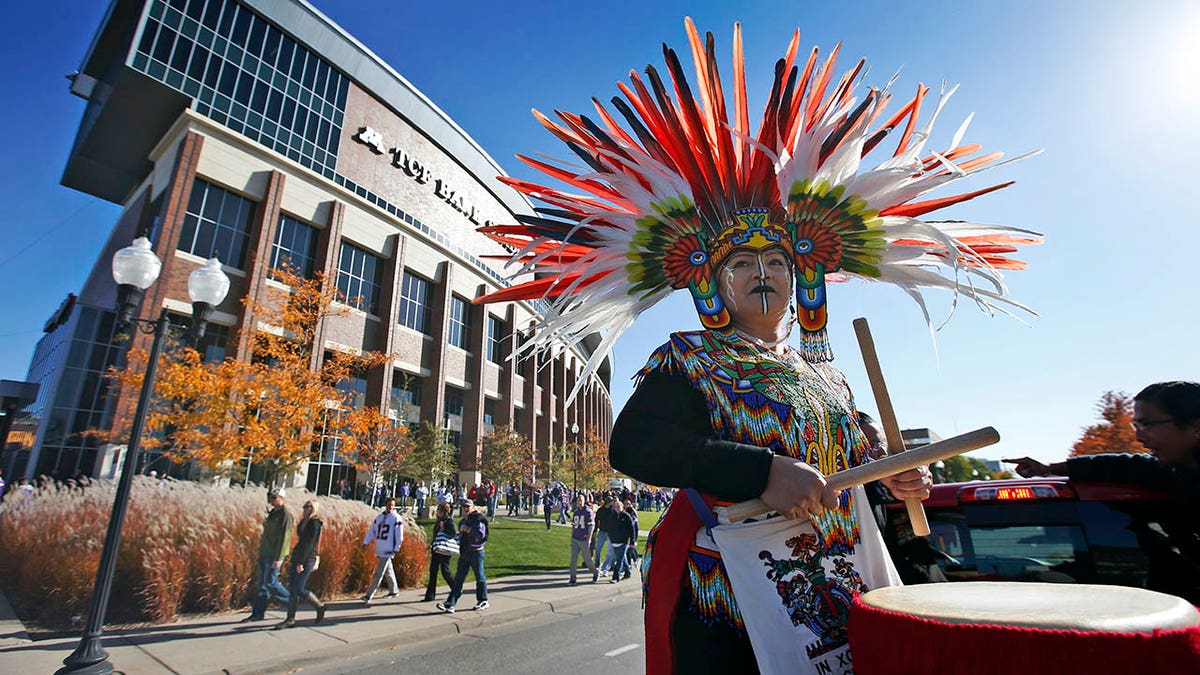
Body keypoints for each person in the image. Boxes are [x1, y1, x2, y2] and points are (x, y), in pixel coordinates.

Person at [1005, 380, 1200, 603]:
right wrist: (1049, 469)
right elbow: (1123, 465)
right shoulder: (1172, 471)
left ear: (1196, 427)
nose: (1139, 437)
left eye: (1147, 425)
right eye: (1136, 426)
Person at [241, 488, 294, 623]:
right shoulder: (272, 513)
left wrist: (280, 557)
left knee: (271, 582)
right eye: (271, 497)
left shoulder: (285, 515)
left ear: (282, 498)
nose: (272, 500)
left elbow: (285, 538)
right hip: (265, 552)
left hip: (274, 554)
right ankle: (258, 613)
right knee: (263, 585)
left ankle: (292, 600)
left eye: (274, 497)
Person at [275, 500, 326, 629]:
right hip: (298, 556)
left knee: (299, 588)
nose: (306, 509)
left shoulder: (315, 524)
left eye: (309, 507)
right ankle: (290, 619)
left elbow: (309, 545)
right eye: (304, 506)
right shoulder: (304, 522)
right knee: (292, 588)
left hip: (307, 559)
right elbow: (301, 541)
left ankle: (319, 606)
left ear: (314, 508)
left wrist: (301, 562)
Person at [437, 500, 489, 613]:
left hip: (476, 552)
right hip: (465, 552)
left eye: (467, 506)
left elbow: (481, 535)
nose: (465, 508)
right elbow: (460, 536)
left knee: (479, 577)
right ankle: (450, 603)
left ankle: (483, 600)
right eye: (463, 506)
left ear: (473, 507)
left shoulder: (478, 519)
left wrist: (469, 530)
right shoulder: (462, 521)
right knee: (458, 579)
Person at [361, 497, 403, 604]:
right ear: (385, 505)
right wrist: (366, 542)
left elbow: (399, 534)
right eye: (389, 504)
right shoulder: (379, 517)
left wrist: (397, 547)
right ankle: (394, 590)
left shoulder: (396, 518)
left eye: (393, 505)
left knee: (379, 573)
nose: (391, 507)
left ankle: (369, 595)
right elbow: (372, 531)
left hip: (388, 548)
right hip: (380, 547)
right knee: (388, 570)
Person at [424, 501, 458, 601]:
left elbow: (453, 533)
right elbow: (436, 535)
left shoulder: (448, 521)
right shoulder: (438, 521)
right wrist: (432, 544)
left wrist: (444, 529)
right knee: (433, 571)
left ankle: (456, 588)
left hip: (445, 549)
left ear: (443, 511)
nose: (437, 512)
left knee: (445, 570)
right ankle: (430, 595)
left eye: (438, 510)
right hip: (436, 548)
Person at [568, 495, 600, 585]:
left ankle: (595, 573)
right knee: (573, 560)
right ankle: (573, 578)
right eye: (578, 500)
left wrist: (589, 538)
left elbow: (591, 526)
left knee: (587, 560)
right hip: (575, 538)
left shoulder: (588, 512)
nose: (579, 502)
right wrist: (572, 536)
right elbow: (574, 525)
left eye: (581, 500)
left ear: (584, 501)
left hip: (584, 539)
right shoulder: (576, 512)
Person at [607, 499, 637, 583]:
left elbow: (631, 530)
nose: (617, 508)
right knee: (622, 558)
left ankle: (615, 577)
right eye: (615, 507)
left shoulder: (627, 517)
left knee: (619, 560)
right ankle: (628, 572)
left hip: (624, 542)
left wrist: (632, 541)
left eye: (618, 506)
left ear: (622, 507)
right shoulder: (612, 516)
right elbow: (609, 528)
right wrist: (611, 537)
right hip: (615, 541)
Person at [592, 495, 616, 576]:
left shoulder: (613, 510)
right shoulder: (601, 510)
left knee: (611, 550)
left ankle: (612, 565)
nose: (613, 502)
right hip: (602, 531)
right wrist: (595, 530)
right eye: (611, 501)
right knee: (598, 548)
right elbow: (596, 520)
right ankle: (597, 563)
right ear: (609, 502)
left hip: (610, 532)